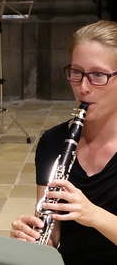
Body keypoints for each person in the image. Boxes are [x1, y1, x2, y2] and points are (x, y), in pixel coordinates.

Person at [10, 20, 117, 265]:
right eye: (76, 73)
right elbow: (54, 236)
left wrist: (92, 215)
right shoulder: (53, 142)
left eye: (98, 75)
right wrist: (34, 237)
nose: (83, 87)